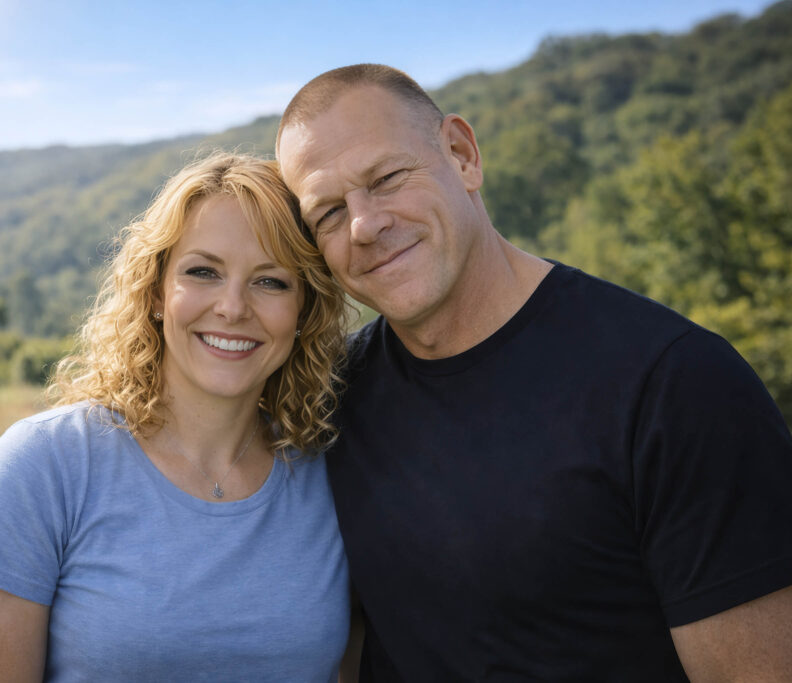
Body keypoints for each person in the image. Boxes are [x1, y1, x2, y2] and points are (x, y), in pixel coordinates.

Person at [275, 64, 792, 681]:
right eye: (328, 212)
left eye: (386, 178)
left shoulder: (674, 384)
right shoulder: (328, 403)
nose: (364, 225)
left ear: (463, 155)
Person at [0, 153, 354, 682]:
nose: (232, 307)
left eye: (270, 281)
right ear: (157, 292)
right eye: (203, 272)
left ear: (304, 309)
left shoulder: (331, 471)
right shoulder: (41, 468)